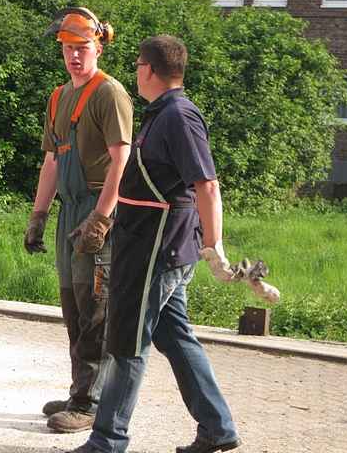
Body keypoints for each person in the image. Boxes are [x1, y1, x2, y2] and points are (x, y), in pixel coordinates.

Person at [68, 35, 242, 453]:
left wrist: (214, 246)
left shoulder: (179, 116)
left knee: (127, 340)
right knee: (174, 335)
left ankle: (108, 440)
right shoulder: (161, 113)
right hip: (148, 243)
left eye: (137, 65)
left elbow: (207, 184)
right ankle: (218, 428)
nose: (134, 72)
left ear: (148, 69)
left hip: (156, 248)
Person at [23, 7, 133, 434]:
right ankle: (79, 392)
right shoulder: (58, 96)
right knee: (73, 307)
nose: (74, 56)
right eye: (68, 49)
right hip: (69, 211)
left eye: (82, 48)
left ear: (99, 47)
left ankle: (92, 404)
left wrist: (101, 220)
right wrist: (38, 214)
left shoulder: (110, 94)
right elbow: (51, 160)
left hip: (97, 210)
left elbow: (122, 161)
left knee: (96, 310)